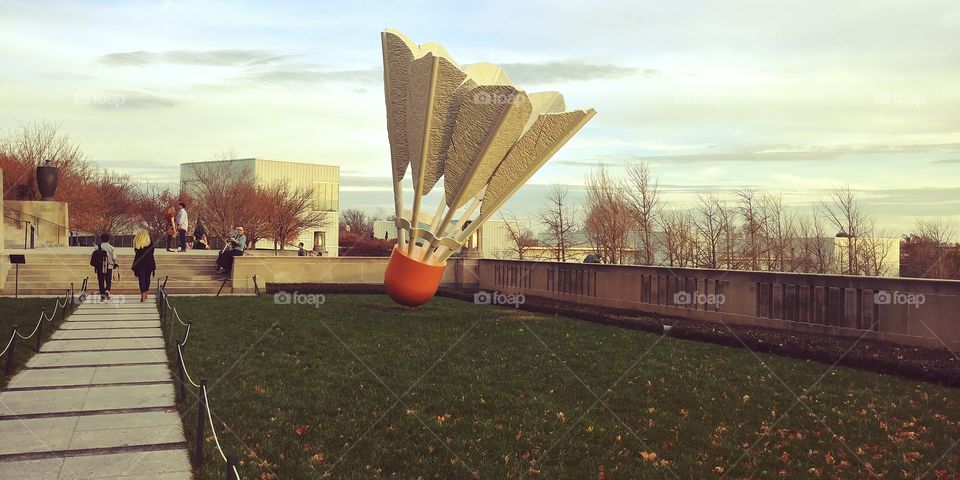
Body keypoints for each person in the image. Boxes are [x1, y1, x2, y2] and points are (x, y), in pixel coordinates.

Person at [131, 229, 156, 302]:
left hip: (140, 263)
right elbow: (152, 252)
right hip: (149, 263)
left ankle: (142, 293)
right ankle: (146, 292)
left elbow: (136, 252)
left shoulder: (137, 243)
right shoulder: (150, 243)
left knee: (141, 279)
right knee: (147, 278)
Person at [91, 233, 118, 300]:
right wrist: (114, 263)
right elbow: (114, 258)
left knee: (101, 280)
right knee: (108, 279)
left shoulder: (97, 247)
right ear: (108, 239)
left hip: (99, 266)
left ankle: (102, 295)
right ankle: (107, 290)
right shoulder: (112, 248)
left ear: (101, 239)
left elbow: (94, 256)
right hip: (109, 266)